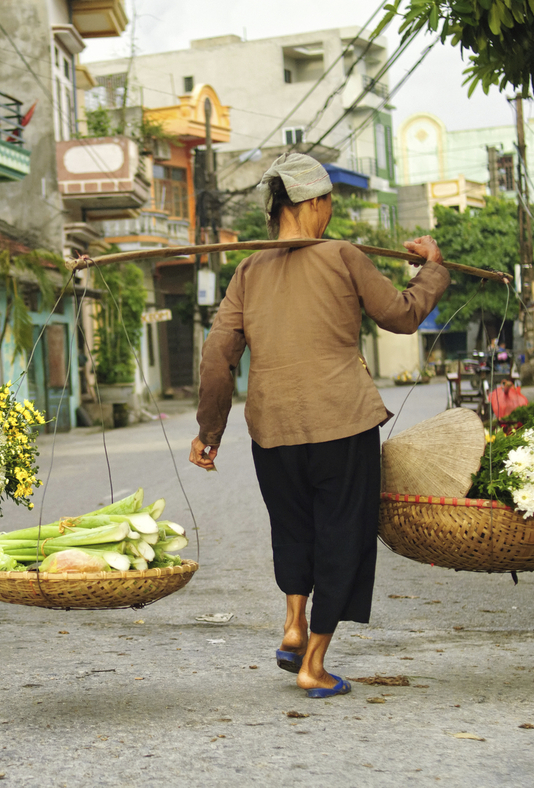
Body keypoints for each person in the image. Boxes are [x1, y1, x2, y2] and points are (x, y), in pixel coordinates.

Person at [189, 154, 448, 699]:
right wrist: (433, 268)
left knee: (294, 529)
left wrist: (209, 433)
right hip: (342, 424)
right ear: (312, 203)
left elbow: (217, 357)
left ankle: (292, 623)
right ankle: (313, 663)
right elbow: (401, 314)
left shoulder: (248, 270)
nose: (330, 212)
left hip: (272, 429)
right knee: (341, 537)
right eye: (328, 202)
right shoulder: (344, 256)